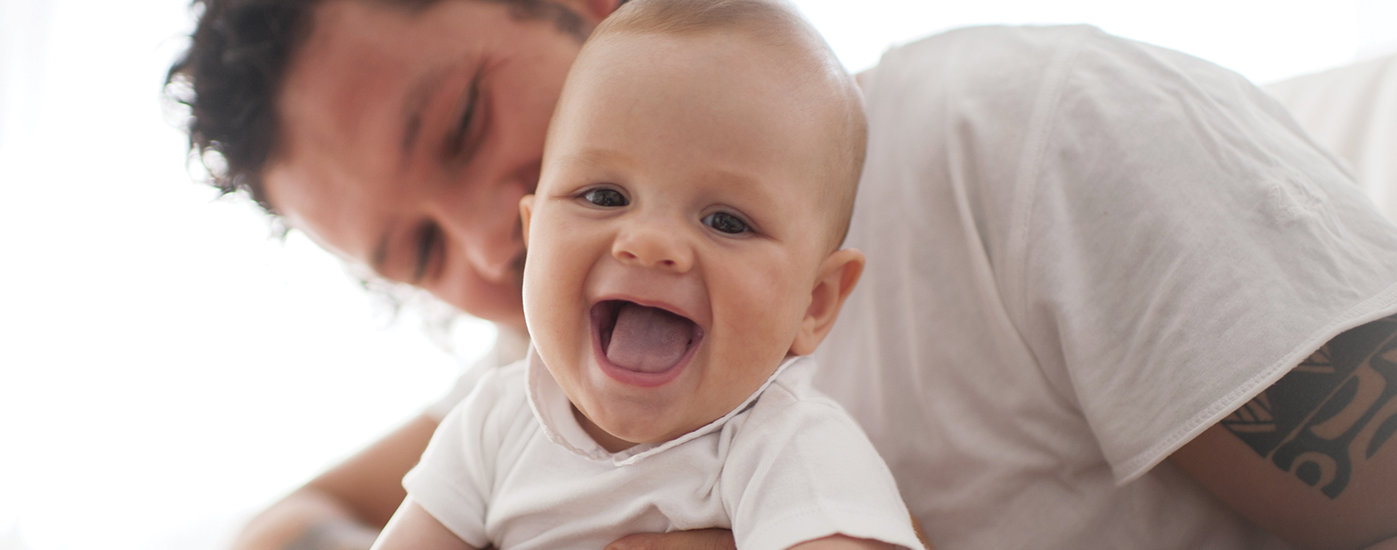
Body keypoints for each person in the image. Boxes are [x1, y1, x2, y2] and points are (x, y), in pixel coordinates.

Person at [165, 0, 1397, 548]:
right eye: (421, 253)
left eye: (462, 128)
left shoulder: (1030, 141)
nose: (499, 243)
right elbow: (299, 516)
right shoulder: (552, 377)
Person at [370, 3, 925, 548]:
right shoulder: (494, 422)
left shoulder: (786, 448)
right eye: (604, 196)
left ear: (815, 303)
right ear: (535, 232)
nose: (650, 243)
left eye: (727, 222)